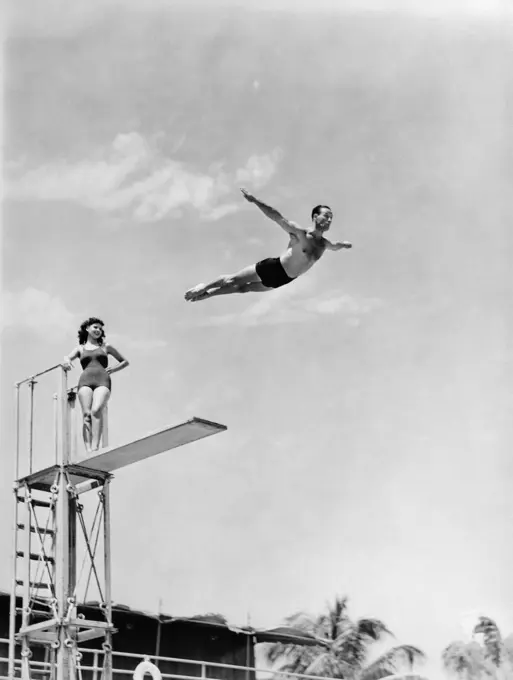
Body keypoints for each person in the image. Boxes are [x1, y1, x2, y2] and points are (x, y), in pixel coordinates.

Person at [184, 188, 352, 302]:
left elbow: (334, 246)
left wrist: (342, 245)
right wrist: (255, 200)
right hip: (274, 268)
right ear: (315, 216)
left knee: (243, 289)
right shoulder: (300, 233)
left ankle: (207, 295)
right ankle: (203, 288)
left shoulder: (324, 244)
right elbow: (277, 217)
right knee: (233, 280)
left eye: (332, 217)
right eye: (326, 215)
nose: (329, 220)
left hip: (284, 279)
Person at [62, 318, 129, 454]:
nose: (98, 330)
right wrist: (67, 361)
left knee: (96, 409)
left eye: (100, 328)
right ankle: (88, 450)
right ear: (87, 329)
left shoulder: (105, 346)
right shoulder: (80, 348)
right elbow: (67, 357)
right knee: (86, 414)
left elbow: (124, 361)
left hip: (102, 380)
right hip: (85, 381)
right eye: (95, 327)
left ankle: (95, 447)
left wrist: (113, 369)